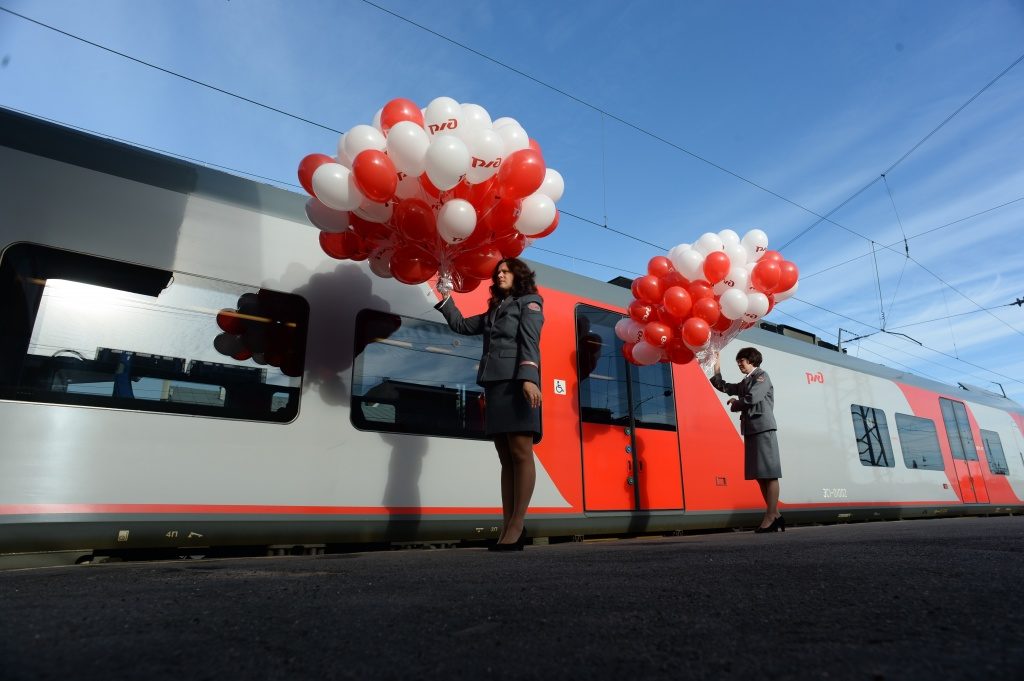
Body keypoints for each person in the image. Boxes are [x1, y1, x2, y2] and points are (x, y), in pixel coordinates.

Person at [435, 258, 544, 551]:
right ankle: (508, 525)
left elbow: (530, 341)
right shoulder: (494, 311)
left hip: (517, 383)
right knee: (505, 457)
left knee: (521, 452)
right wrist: (446, 297)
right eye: (498, 272)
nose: (500, 274)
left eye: (506, 271)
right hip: (495, 385)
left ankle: (518, 524)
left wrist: (529, 378)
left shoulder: (530, 302)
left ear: (519, 275)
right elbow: (460, 325)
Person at [711, 347, 783, 533]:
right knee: (760, 475)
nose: (739, 364)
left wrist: (736, 403)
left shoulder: (761, 376)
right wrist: (716, 368)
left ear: (751, 360)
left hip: (763, 428)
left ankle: (770, 515)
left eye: (741, 361)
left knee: (769, 473)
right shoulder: (746, 381)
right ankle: (775, 514)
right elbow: (724, 387)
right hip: (752, 429)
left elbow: (753, 397)